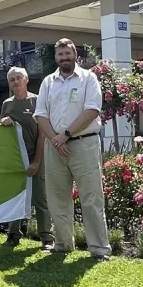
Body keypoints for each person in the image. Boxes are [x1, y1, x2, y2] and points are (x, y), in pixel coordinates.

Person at [34, 38, 111, 263]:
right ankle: (63, 244)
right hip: (54, 147)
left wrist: (65, 135)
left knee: (91, 197)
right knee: (57, 199)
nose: (64, 58)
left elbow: (92, 110)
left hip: (83, 144)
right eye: (60, 55)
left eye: (68, 54)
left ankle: (99, 249)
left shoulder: (89, 78)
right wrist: (56, 140)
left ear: (75, 55)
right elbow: (40, 115)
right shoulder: (48, 82)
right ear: (55, 58)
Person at [0, 65, 53, 250]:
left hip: (36, 156)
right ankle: (13, 235)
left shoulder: (37, 101)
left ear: (26, 79)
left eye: (18, 78)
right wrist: (3, 121)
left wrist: (37, 161)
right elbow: (2, 132)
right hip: (15, 159)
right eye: (12, 79)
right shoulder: (7, 104)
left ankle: (46, 237)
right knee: (16, 196)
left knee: (40, 197)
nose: (15, 82)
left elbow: (42, 134)